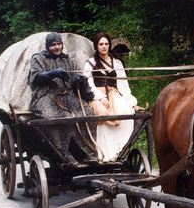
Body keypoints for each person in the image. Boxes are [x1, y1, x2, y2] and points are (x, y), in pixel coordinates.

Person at [28, 32, 98, 164]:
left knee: (87, 112)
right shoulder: (38, 58)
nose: (57, 47)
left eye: (59, 44)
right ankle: (64, 154)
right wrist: (52, 73)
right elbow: (36, 77)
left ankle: (88, 152)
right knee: (59, 116)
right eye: (53, 45)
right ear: (47, 46)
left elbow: (74, 81)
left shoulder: (67, 60)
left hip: (67, 96)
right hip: (45, 97)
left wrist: (79, 80)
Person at [83, 32, 141, 161]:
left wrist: (131, 102)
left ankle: (118, 151)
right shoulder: (90, 63)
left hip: (114, 94)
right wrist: (101, 97)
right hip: (96, 96)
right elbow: (88, 84)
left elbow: (123, 84)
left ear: (109, 45)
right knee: (103, 115)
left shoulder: (117, 63)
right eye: (101, 44)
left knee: (126, 112)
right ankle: (104, 154)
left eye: (106, 44)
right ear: (96, 46)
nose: (104, 47)